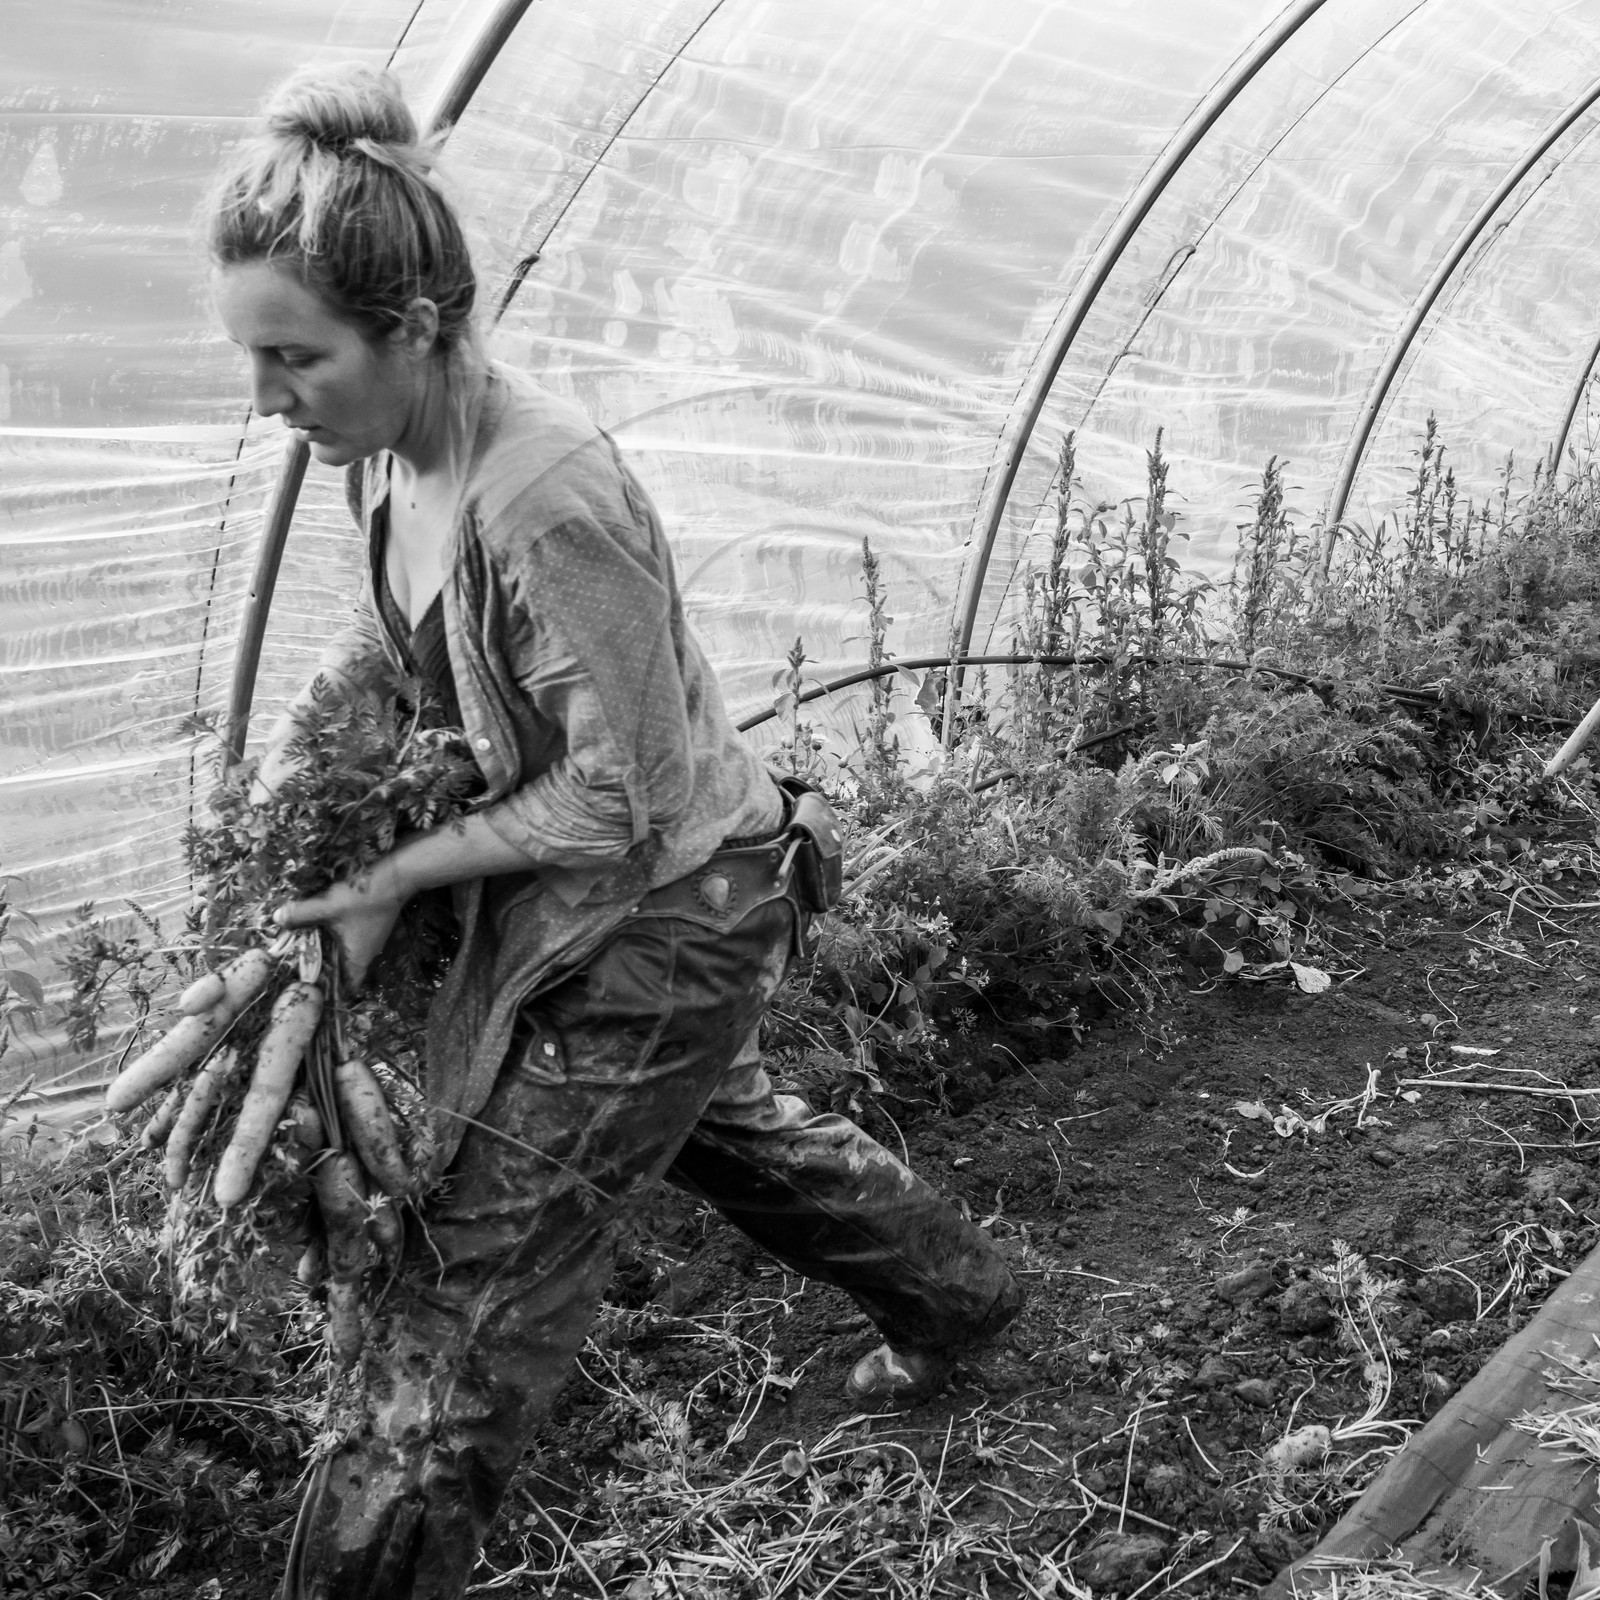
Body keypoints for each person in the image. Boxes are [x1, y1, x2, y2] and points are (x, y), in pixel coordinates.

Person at [206, 62, 1023, 1600]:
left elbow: (621, 793)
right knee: (729, 1134)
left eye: (294, 359)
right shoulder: (382, 453)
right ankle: (966, 1301)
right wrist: (333, 842)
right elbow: (414, 664)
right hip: (593, 902)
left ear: (418, 326)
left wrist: (392, 873)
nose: (267, 401)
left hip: (669, 907)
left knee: (459, 1306)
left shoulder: (545, 498)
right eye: (254, 358)